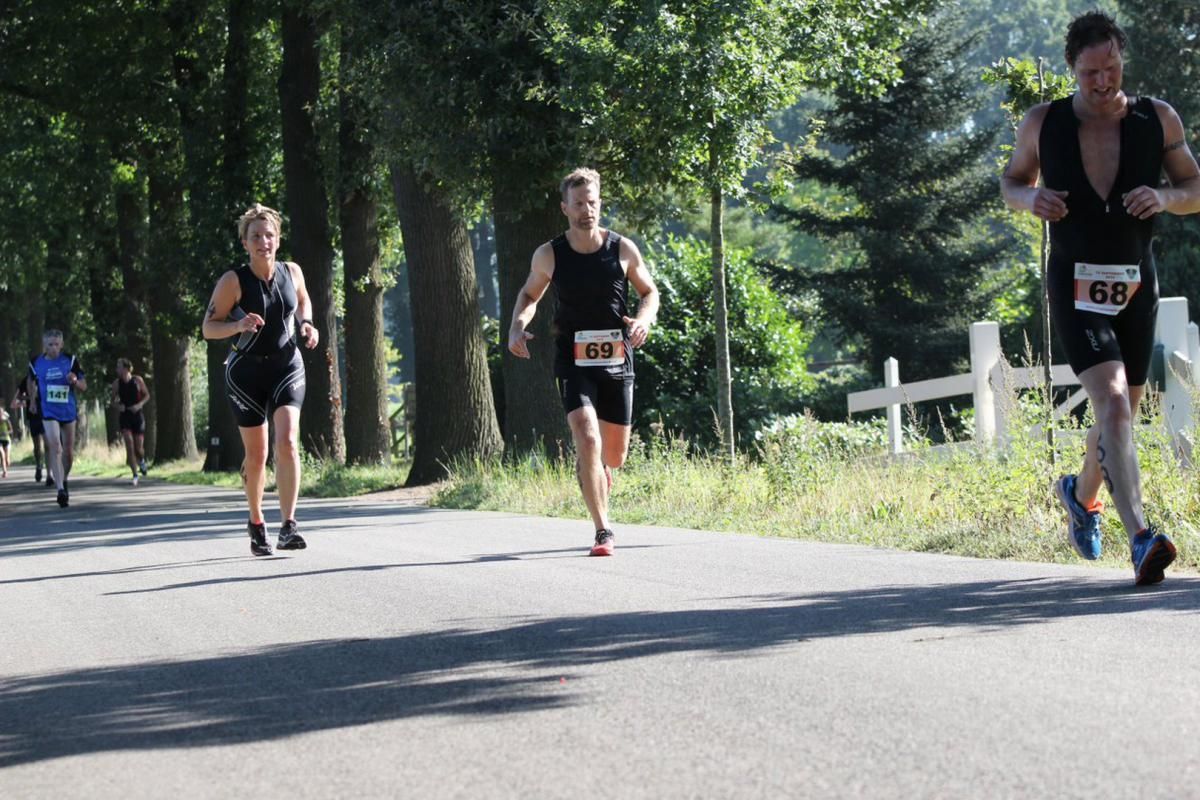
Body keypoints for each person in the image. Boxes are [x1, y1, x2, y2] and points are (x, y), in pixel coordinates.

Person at [1001, 11, 1200, 585]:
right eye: (1090, 72)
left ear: (1121, 60)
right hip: (1074, 284)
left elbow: (1195, 187)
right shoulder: (1044, 122)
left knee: (1121, 413)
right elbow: (1012, 181)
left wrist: (1164, 197)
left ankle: (1080, 494)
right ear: (1073, 68)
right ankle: (1140, 536)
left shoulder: (1156, 118)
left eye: (1111, 67)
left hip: (1137, 284)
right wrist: (1028, 200)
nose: (1103, 81)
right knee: (1112, 403)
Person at [508, 167, 659, 556]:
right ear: (565, 208)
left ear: (599, 203)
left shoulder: (622, 248)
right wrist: (516, 327)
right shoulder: (550, 254)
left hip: (616, 358)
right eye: (578, 204)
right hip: (572, 359)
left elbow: (649, 292)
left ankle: (601, 470)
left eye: (592, 202)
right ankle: (602, 530)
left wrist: (643, 321)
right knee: (587, 436)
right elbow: (529, 295)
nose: (586, 210)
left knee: (614, 456)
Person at [202, 203, 319, 556]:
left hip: (286, 365)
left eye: (269, 235)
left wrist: (307, 324)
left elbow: (303, 301)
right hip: (246, 373)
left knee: (288, 442)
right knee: (257, 455)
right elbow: (209, 328)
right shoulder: (233, 281)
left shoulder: (292, 271)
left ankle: (289, 525)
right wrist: (237, 325)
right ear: (245, 242)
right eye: (255, 236)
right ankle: (256, 522)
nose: (263, 242)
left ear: (278, 240)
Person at [28, 329, 87, 508]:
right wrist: (32, 401)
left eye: (56, 344)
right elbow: (31, 382)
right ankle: (60, 489)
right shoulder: (36, 362)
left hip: (67, 410)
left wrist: (74, 381)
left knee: (68, 452)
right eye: (50, 345)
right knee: (55, 446)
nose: (53, 348)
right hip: (48, 410)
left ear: (61, 345)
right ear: (44, 346)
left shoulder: (70, 360)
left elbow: (84, 386)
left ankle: (64, 479)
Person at [111, 358, 150, 486]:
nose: (117, 369)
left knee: (138, 448)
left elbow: (147, 395)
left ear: (126, 369)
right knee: (129, 444)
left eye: (119, 367)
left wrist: (139, 405)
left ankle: (142, 461)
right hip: (125, 417)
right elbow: (112, 401)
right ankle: (135, 475)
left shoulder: (137, 380)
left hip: (137, 416)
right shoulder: (116, 384)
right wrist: (119, 406)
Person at [11, 373, 47, 484]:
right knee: (37, 446)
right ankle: (39, 465)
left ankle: (50, 472)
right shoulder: (26, 379)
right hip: (33, 416)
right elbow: (17, 397)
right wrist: (30, 398)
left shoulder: (45, 375)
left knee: (48, 444)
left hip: (47, 415)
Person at [0, 408, 11, 478]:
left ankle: (6, 467)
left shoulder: (6, 421)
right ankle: (4, 471)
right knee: (2, 455)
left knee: (7, 460)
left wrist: (6, 432)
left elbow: (11, 430)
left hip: (7, 440)